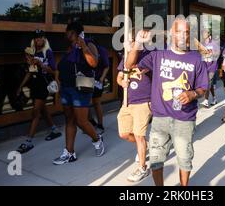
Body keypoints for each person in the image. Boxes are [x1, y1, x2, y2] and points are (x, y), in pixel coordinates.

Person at [125, 17, 209, 186]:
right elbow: (130, 64)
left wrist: (192, 94)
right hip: (160, 118)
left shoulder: (195, 59)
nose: (182, 36)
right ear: (172, 33)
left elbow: (203, 88)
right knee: (156, 160)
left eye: (186, 33)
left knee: (185, 159)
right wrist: (137, 44)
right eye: (178, 32)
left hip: (184, 119)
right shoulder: (158, 55)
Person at [53, 22, 105, 165]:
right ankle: (69, 153)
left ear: (76, 33)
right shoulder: (68, 49)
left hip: (82, 86)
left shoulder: (88, 44)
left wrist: (83, 45)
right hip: (67, 88)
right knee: (69, 120)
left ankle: (97, 139)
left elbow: (94, 63)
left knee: (81, 121)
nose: (66, 35)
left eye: (69, 33)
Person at [16, 30, 61, 153]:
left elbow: (53, 71)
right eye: (36, 38)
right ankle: (54, 130)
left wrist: (40, 64)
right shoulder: (32, 52)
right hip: (34, 84)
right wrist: (21, 86)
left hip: (43, 84)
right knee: (42, 109)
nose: (38, 40)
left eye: (40, 38)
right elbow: (30, 72)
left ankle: (28, 141)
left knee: (35, 112)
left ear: (44, 39)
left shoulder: (48, 52)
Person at [117, 39, 152, 183]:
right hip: (127, 102)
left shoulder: (148, 55)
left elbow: (146, 69)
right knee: (124, 133)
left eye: (133, 41)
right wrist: (121, 82)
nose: (130, 44)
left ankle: (143, 168)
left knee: (139, 135)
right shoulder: (125, 57)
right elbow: (119, 77)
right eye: (128, 42)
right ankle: (146, 145)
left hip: (143, 102)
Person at [89, 42, 110, 133]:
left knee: (96, 102)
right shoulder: (83, 48)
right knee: (85, 102)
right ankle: (91, 122)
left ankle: (100, 124)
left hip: (97, 80)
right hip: (85, 79)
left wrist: (102, 77)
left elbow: (107, 66)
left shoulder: (102, 50)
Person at [201, 29, 220, 108]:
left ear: (208, 34)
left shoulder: (213, 43)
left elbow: (218, 53)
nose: (203, 34)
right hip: (204, 66)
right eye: (203, 33)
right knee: (210, 84)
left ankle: (206, 100)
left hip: (212, 66)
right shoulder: (202, 44)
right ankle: (214, 98)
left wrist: (211, 53)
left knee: (207, 83)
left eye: (205, 33)